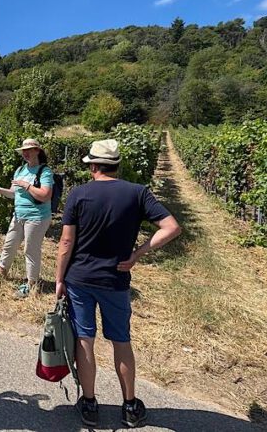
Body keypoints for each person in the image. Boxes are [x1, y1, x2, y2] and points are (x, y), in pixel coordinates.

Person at [55, 139, 181, 428]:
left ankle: (89, 403)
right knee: (121, 341)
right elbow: (171, 227)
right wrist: (137, 254)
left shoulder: (79, 194)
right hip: (116, 280)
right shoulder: (137, 193)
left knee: (84, 339)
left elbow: (66, 241)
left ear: (93, 166)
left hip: (80, 279)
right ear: (117, 165)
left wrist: (59, 278)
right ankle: (130, 406)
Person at [0, 138, 53, 298]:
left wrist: (27, 185)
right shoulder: (20, 170)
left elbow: (45, 195)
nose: (26, 153)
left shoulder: (45, 171)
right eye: (24, 151)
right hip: (19, 215)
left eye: (29, 150)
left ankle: (32, 285)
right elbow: (13, 193)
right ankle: (1, 273)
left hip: (37, 217)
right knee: (9, 245)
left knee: (30, 250)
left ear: (37, 151)